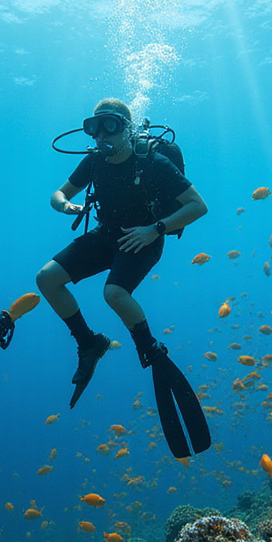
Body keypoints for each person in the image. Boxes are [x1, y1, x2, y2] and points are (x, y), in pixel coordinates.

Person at [36, 98, 208, 404]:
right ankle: (89, 344)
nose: (101, 136)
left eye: (110, 126)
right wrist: (64, 204)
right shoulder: (93, 161)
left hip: (144, 238)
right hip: (107, 235)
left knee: (114, 293)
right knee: (46, 279)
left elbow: (198, 206)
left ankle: (149, 348)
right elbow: (58, 193)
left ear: (127, 129)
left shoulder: (153, 162)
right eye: (94, 128)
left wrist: (154, 229)